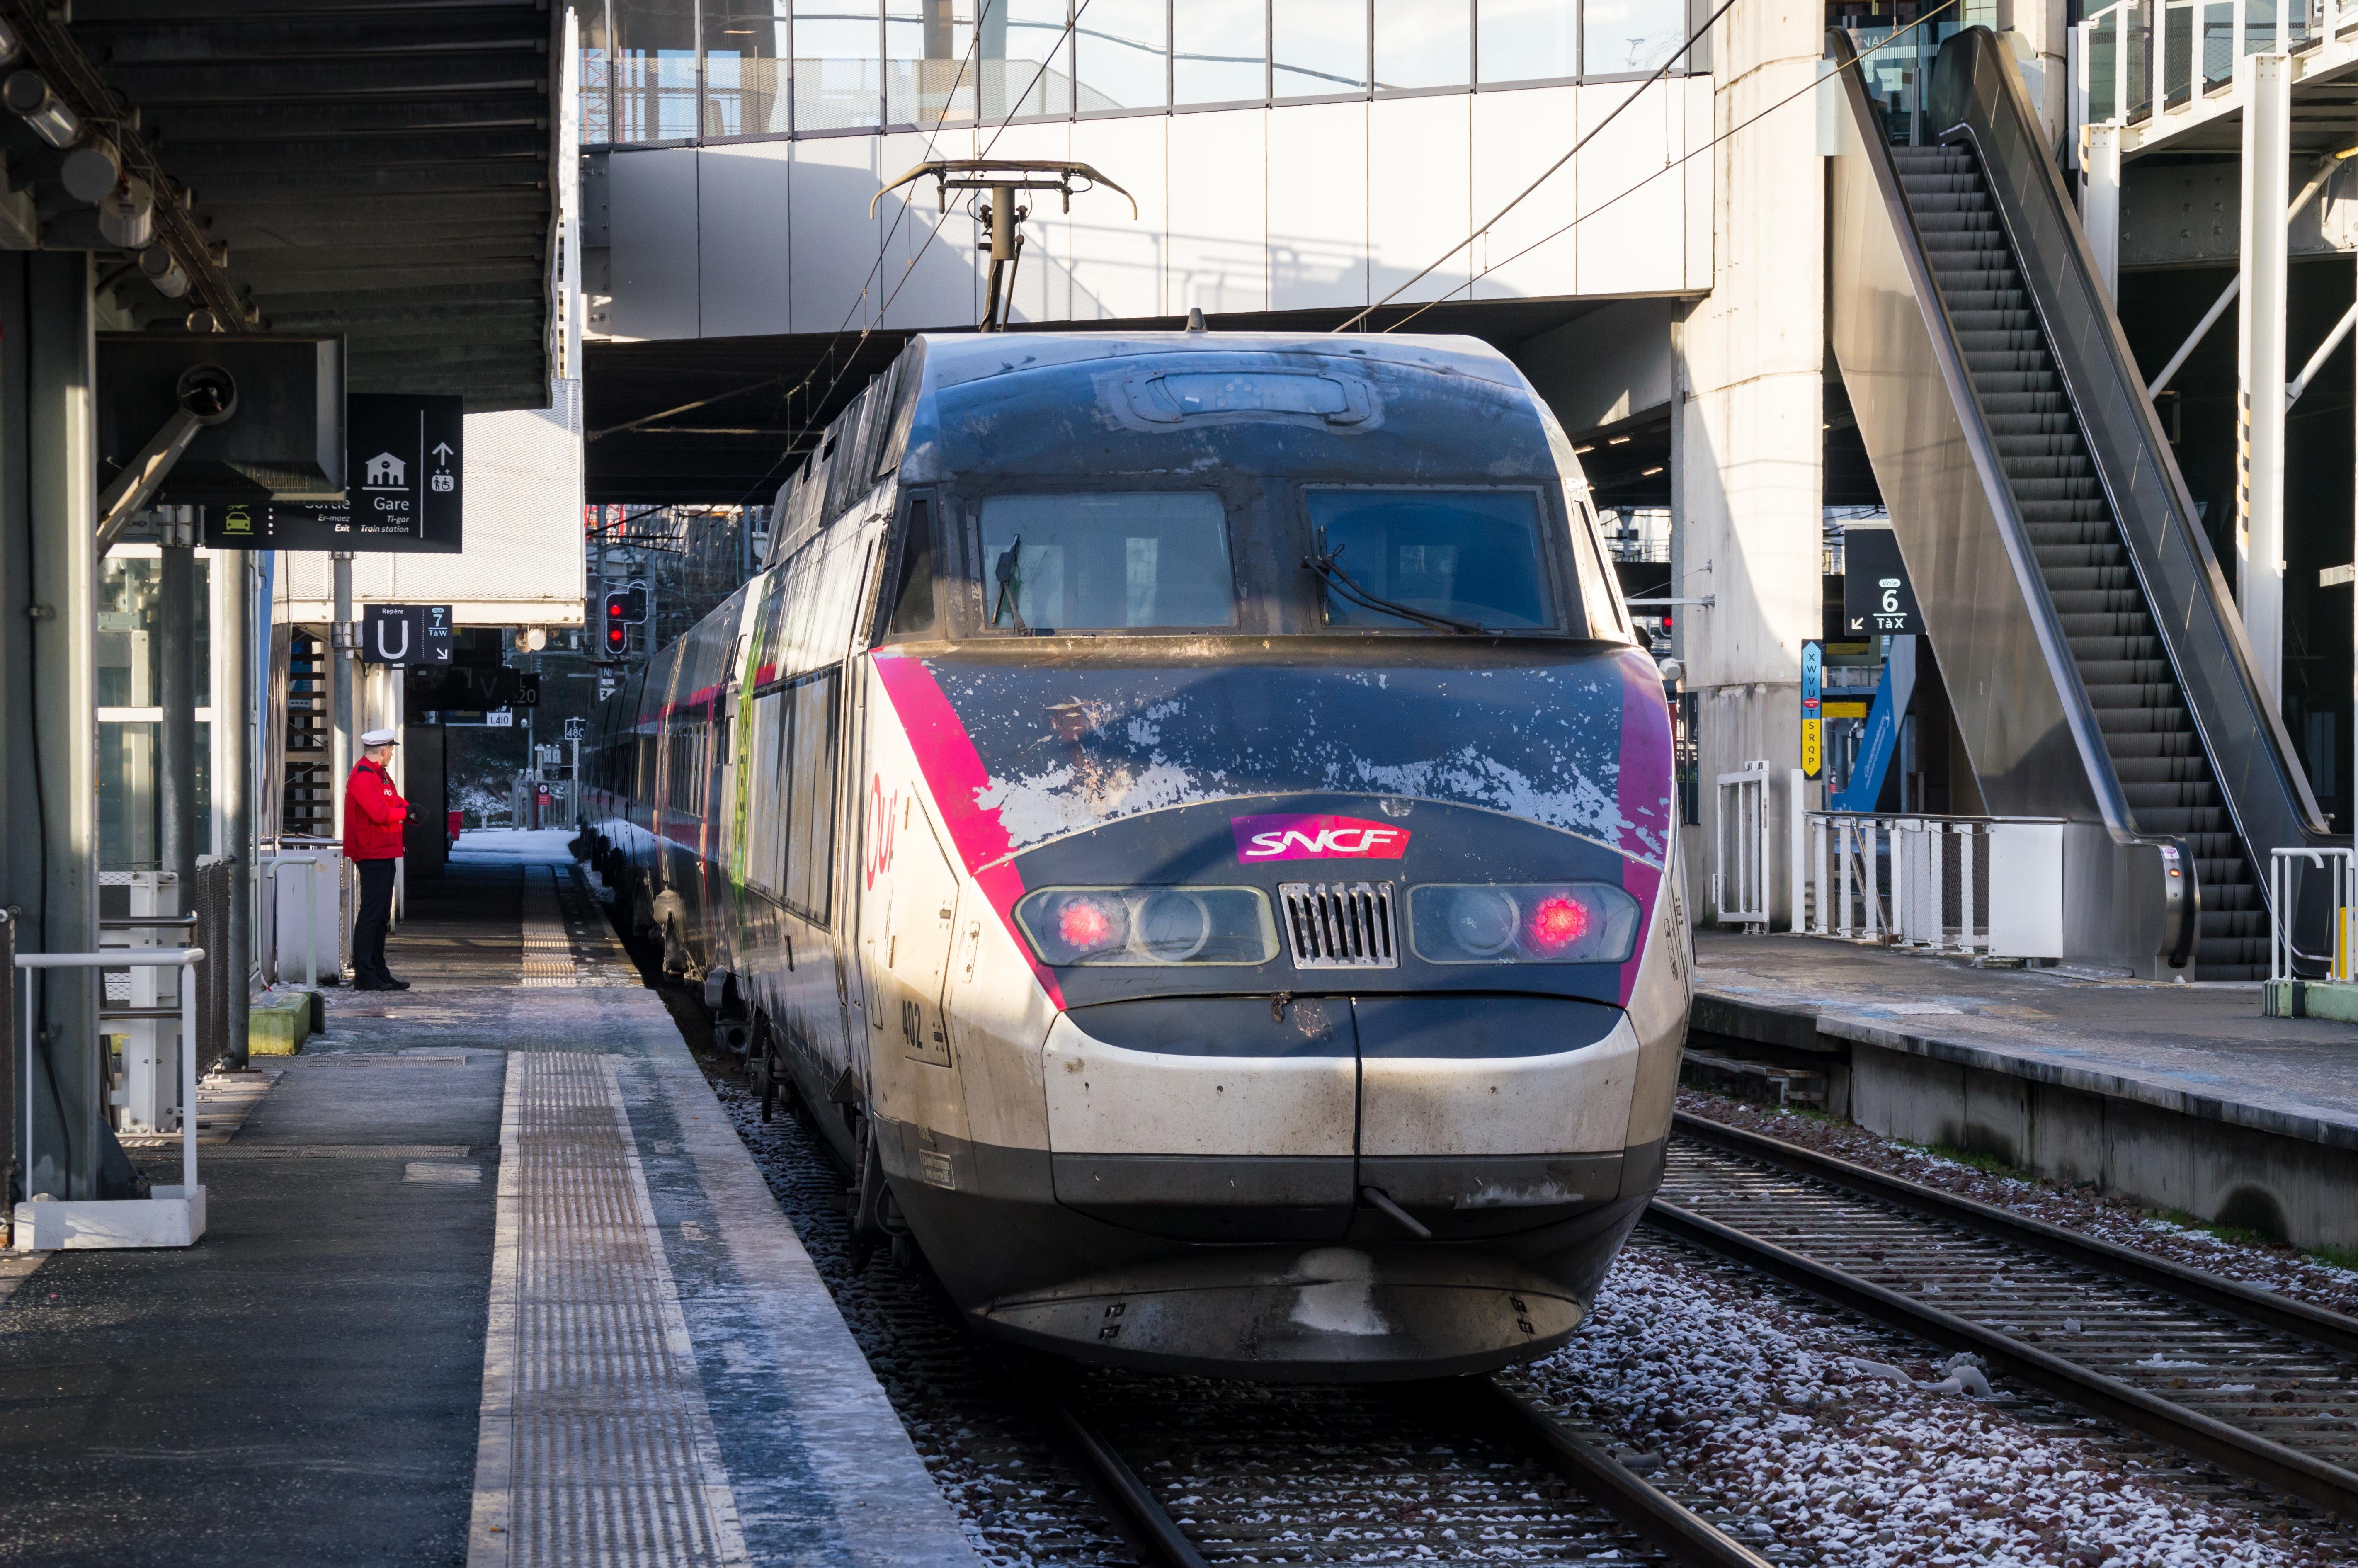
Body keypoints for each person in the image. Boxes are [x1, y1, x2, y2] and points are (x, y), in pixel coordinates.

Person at [344, 728, 411, 992]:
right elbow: (381, 814)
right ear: (383, 751)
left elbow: (395, 802)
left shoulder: (378, 774)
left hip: (383, 851)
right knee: (371, 915)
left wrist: (409, 811)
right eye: (391, 750)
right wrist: (407, 813)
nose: (392, 754)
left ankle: (378, 971)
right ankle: (365, 975)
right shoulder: (364, 777)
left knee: (381, 914)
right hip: (372, 853)